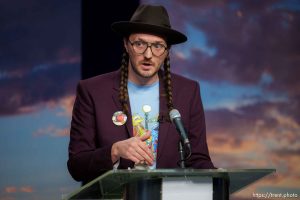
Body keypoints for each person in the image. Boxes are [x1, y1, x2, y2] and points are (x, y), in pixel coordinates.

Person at [67, 4, 215, 184]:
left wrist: (220, 179)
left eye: (158, 46)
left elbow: (198, 159)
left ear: (167, 50)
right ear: (126, 44)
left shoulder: (188, 91)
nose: (148, 54)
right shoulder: (93, 91)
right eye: (139, 44)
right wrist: (114, 151)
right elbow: (76, 166)